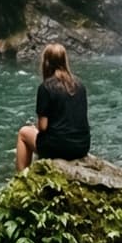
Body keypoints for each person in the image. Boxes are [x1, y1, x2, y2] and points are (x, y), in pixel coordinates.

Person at [16, 42, 89, 170]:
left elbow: (43, 127)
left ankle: (21, 176)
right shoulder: (80, 85)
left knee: (23, 133)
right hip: (81, 146)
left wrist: (36, 126)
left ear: (46, 62)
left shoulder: (45, 87)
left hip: (57, 148)